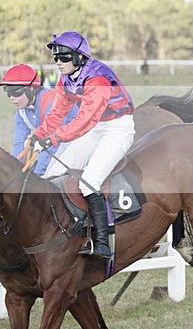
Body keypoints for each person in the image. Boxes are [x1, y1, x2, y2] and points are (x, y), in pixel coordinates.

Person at [30, 31, 136, 259]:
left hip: (118, 127)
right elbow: (58, 113)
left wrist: (54, 138)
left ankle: (102, 242)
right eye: (55, 57)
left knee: (89, 182)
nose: (58, 62)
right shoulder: (65, 79)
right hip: (95, 128)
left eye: (64, 57)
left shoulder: (98, 78)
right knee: (53, 174)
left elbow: (85, 119)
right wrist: (40, 134)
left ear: (79, 57)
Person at [1, 64, 77, 176]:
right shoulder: (21, 112)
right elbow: (19, 144)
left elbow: (51, 144)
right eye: (9, 93)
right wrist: (13, 171)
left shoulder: (52, 102)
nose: (12, 97)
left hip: (79, 139)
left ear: (31, 88)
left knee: (49, 176)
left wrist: (35, 176)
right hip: (58, 142)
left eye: (16, 92)